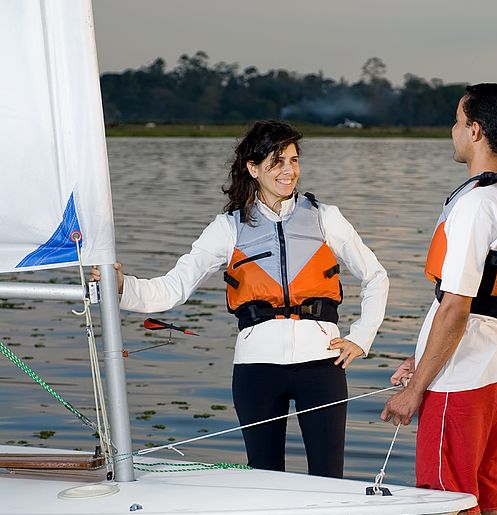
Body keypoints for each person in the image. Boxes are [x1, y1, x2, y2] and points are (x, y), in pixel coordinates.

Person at [93, 120, 388, 477]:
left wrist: (361, 337)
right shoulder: (228, 227)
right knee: (264, 478)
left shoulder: (326, 218)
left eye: (294, 160)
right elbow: (173, 288)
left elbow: (375, 276)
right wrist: (122, 286)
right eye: (277, 162)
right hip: (256, 369)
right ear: (253, 167)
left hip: (321, 366)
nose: (289, 171)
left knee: (329, 478)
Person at [380, 84, 497, 515]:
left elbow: (455, 307)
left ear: (474, 130)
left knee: (445, 492)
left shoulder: (476, 204)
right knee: (490, 494)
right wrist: (418, 359)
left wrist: (416, 388)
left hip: (460, 375)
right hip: (495, 365)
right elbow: (467, 302)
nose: (452, 130)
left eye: (456, 121)